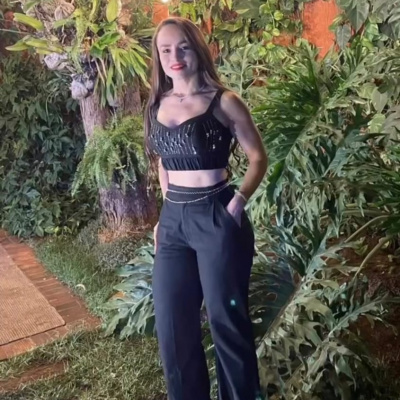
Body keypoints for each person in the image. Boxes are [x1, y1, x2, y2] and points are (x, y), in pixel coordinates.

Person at [144, 16, 268, 400]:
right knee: (172, 325)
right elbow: (163, 161)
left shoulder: (224, 102)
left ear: (198, 50)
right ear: (158, 56)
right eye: (166, 49)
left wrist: (236, 204)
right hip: (174, 222)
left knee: (226, 324)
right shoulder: (156, 104)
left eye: (183, 47)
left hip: (216, 215)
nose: (175, 56)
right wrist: (165, 214)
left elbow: (258, 158)